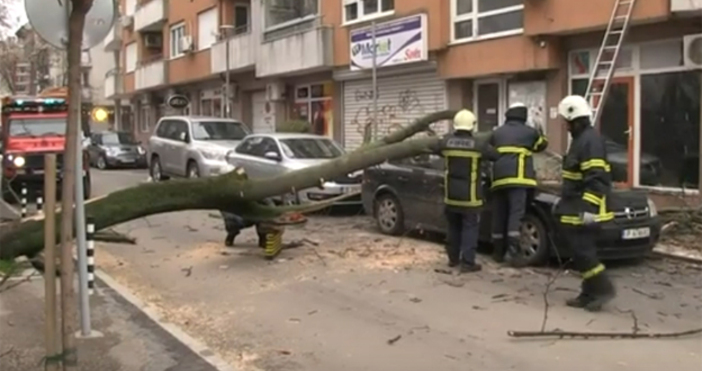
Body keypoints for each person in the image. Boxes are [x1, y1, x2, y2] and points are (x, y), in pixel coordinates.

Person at [553, 95, 616, 312]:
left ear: (575, 119)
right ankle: (588, 293)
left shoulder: (589, 142)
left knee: (584, 253)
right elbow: (575, 178)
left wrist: (589, 208)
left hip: (588, 209)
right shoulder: (582, 141)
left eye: (566, 121)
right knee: (581, 252)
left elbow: (597, 177)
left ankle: (602, 289)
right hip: (575, 206)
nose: (565, 125)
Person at [437, 109, 497, 273]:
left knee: (453, 228)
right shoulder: (478, 145)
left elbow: (436, 148)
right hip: (470, 197)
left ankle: (453, 259)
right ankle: (468, 262)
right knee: (470, 229)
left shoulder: (446, 143)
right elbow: (495, 155)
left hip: (451, 196)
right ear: (472, 126)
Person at [488, 103, 549, 267]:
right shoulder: (530, 132)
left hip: (498, 180)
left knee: (499, 215)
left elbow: (488, 150)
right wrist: (540, 127)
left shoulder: (497, 132)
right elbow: (542, 145)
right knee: (516, 214)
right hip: (519, 180)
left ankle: (497, 252)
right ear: (524, 116)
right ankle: (513, 253)